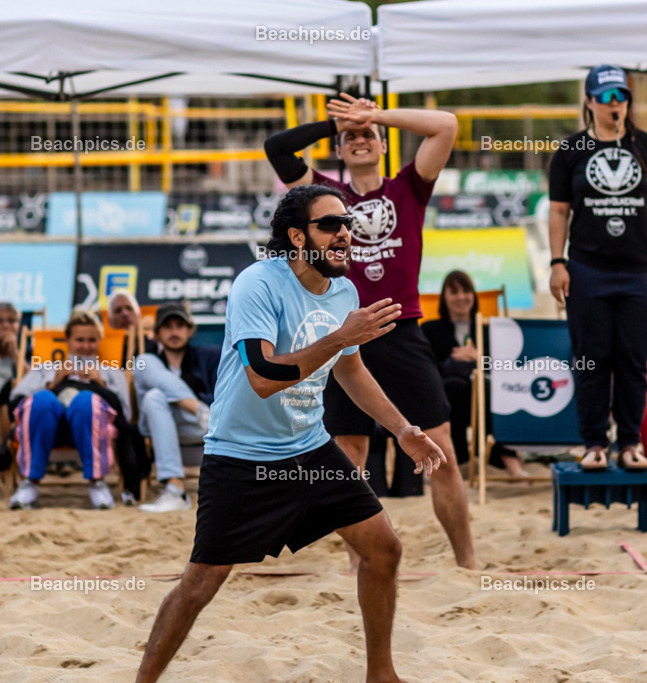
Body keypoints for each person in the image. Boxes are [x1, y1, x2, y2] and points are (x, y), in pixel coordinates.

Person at [136, 184, 445, 682]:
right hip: (241, 457)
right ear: (298, 237)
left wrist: (403, 428)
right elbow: (261, 376)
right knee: (201, 584)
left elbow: (351, 369)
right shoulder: (257, 283)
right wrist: (343, 336)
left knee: (384, 548)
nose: (345, 233)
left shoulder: (344, 289)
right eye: (331, 225)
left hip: (309, 448)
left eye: (346, 223)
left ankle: (381, 674)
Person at [264, 92, 476, 569]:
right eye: (351, 137)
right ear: (340, 150)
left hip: (400, 330)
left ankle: (467, 564)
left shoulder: (409, 186)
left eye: (369, 135)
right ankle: (363, 564)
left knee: (440, 450)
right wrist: (336, 123)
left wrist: (372, 113)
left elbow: (446, 124)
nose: (360, 139)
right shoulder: (321, 194)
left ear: (383, 144)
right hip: (343, 336)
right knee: (350, 455)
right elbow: (277, 147)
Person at [548, 64, 647, 472]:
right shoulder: (570, 151)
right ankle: (593, 443)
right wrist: (557, 262)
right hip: (587, 269)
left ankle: (631, 443)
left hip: (640, 270)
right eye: (605, 97)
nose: (614, 103)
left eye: (620, 95)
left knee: (634, 361)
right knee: (591, 359)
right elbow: (558, 212)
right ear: (588, 101)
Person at [8, 309, 130, 510]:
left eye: (92, 340)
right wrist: (53, 383)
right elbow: (16, 402)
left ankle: (97, 482)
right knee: (42, 399)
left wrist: (100, 385)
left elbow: (126, 415)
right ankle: (30, 482)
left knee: (85, 401)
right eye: (79, 340)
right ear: (68, 341)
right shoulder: (45, 367)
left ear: (99, 341)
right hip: (46, 429)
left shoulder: (111, 371)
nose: (86, 346)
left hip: (92, 428)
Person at [420, 270, 527, 477]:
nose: (461, 297)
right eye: (454, 292)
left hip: (483, 395)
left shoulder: (490, 329)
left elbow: (505, 368)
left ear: (473, 295)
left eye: (466, 290)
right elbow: (424, 368)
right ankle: (504, 459)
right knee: (456, 385)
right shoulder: (429, 329)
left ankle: (491, 457)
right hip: (447, 397)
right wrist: (453, 361)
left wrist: (479, 358)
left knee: (485, 387)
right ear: (444, 298)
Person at [134, 302, 220, 513]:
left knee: (156, 394)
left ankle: (175, 490)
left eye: (180, 325)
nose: (174, 332)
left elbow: (224, 395)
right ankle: (198, 410)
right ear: (156, 333)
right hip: (161, 426)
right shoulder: (151, 360)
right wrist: (198, 406)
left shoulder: (210, 357)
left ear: (190, 330)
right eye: (167, 326)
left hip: (201, 430)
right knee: (145, 369)